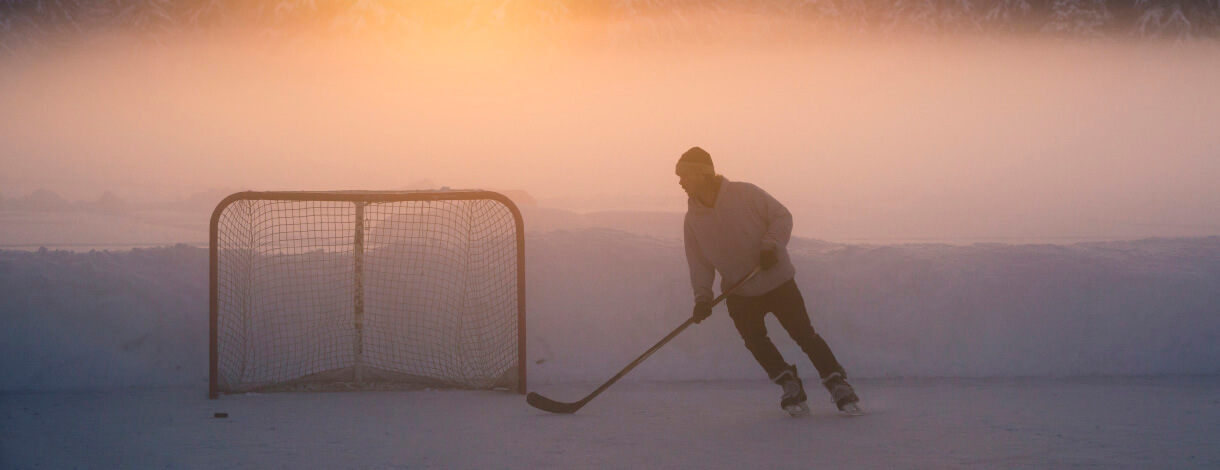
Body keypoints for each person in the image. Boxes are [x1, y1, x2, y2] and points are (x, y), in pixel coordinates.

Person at [676, 146, 860, 416]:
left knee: (804, 335)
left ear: (703, 175)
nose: (680, 182)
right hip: (738, 292)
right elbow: (699, 264)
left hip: (778, 283)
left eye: (685, 175)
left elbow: (781, 216)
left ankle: (837, 383)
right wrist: (702, 297)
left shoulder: (744, 193)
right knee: (755, 342)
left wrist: (771, 247)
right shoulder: (692, 220)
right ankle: (789, 383)